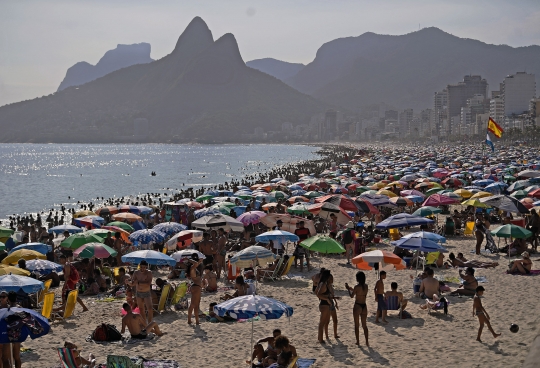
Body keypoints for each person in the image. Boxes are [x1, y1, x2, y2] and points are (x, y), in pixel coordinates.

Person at [345, 271, 369, 346]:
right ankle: (367, 342)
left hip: (357, 305)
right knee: (364, 325)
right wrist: (352, 289)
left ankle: (358, 341)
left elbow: (352, 296)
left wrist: (348, 289)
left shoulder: (356, 287)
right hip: (364, 306)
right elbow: (360, 293)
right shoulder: (366, 286)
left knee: (356, 325)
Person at [128, 260, 153, 324]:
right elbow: (133, 283)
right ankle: (144, 324)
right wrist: (128, 282)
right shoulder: (136, 272)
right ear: (139, 266)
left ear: (146, 267)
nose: (142, 269)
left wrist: (138, 282)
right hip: (139, 292)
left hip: (146, 292)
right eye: (141, 267)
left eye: (144, 267)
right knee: (141, 309)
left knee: (150, 309)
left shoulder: (149, 273)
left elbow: (148, 283)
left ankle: (150, 323)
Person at [315, 269, 332, 343]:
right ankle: (320, 339)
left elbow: (316, 291)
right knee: (322, 322)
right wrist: (327, 299)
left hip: (326, 304)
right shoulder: (323, 284)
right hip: (324, 304)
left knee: (326, 321)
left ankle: (321, 338)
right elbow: (318, 294)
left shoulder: (323, 283)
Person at [187, 254, 203, 325]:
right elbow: (195, 264)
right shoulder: (192, 268)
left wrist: (199, 261)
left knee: (196, 304)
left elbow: (197, 264)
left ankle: (196, 321)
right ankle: (189, 320)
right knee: (193, 304)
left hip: (197, 287)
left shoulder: (194, 268)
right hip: (196, 287)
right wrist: (188, 259)